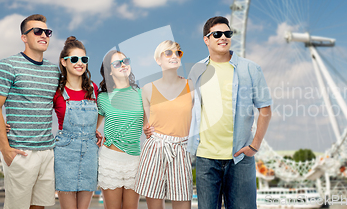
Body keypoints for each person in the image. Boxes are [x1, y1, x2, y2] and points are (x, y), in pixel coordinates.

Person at [187, 16, 272, 208]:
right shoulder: (197, 70)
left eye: (228, 33)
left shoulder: (251, 69)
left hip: (240, 158)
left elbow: (265, 108)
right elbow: (187, 108)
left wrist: (255, 145)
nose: (223, 37)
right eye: (217, 34)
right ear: (206, 39)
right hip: (206, 158)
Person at [0, 14, 59, 209]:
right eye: (37, 31)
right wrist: (5, 149)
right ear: (24, 37)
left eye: (47, 32)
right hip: (20, 152)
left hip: (47, 151)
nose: (44, 35)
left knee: (40, 206)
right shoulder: (7, 66)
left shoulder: (55, 71)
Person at [134, 40, 194, 209]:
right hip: (155, 150)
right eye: (168, 52)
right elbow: (147, 122)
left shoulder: (192, 86)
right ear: (158, 60)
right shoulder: (146, 89)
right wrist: (146, 128)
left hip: (181, 150)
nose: (174, 56)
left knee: (183, 203)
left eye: (178, 53)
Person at [53, 36, 101, 209]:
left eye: (84, 59)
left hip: (90, 153)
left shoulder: (94, 89)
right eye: (74, 59)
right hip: (65, 153)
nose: (79, 63)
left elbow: (103, 112)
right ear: (63, 62)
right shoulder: (56, 91)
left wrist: (94, 129)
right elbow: (38, 113)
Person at [97, 50, 144, 209]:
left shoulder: (142, 94)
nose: (123, 65)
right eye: (117, 63)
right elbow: (92, 127)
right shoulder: (102, 98)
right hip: (110, 160)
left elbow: (150, 125)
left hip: (135, 161)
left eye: (126, 61)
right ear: (109, 70)